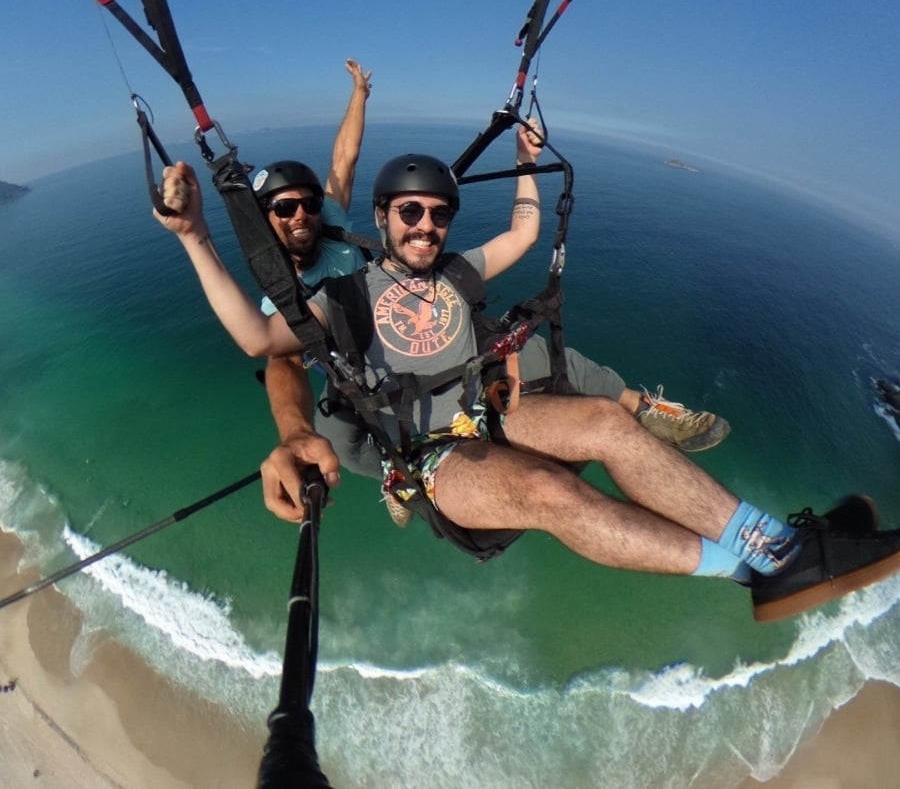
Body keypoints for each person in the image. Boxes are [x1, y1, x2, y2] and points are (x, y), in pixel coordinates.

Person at [156, 128, 900, 623]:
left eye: (439, 215)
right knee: (551, 491)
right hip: (430, 456)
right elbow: (259, 336)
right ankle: (749, 573)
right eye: (410, 212)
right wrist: (194, 236)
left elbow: (522, 233)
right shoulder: (344, 297)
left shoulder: (456, 271)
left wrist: (527, 157)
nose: (425, 226)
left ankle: (781, 549)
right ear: (381, 218)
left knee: (609, 421)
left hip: (487, 410)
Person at [251, 62, 730, 525]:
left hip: (404, 305)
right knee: (345, 438)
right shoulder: (284, 296)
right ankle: (395, 475)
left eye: (307, 204)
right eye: (284, 207)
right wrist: (294, 432)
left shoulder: (329, 222)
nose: (300, 215)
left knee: (533, 349)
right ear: (265, 219)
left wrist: (359, 93)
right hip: (360, 365)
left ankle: (641, 407)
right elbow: (282, 359)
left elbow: (344, 158)